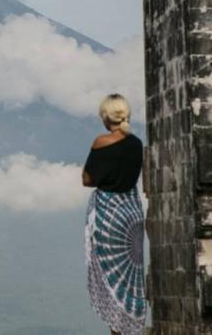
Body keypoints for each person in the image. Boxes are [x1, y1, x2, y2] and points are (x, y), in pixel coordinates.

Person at [82, 94, 146, 335]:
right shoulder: (137, 143)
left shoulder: (101, 142)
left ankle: (116, 331)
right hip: (132, 214)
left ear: (106, 117)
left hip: (109, 214)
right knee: (131, 279)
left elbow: (87, 179)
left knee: (111, 280)